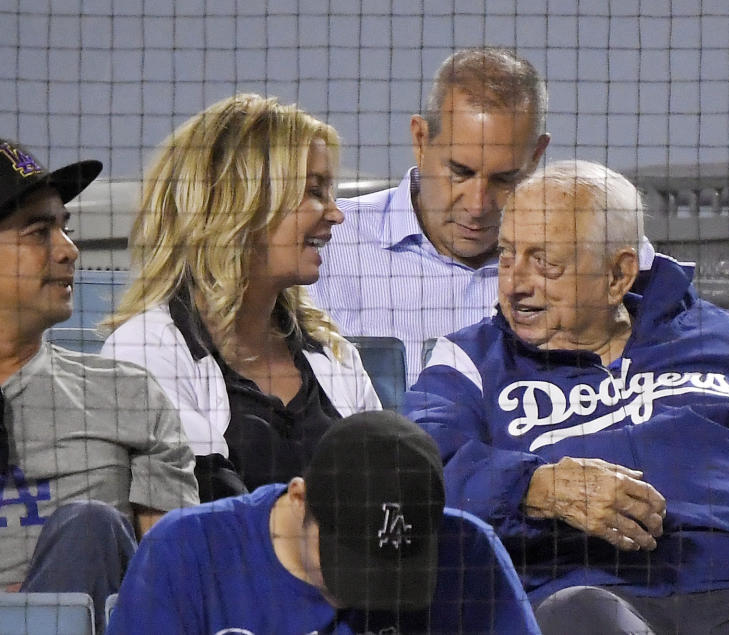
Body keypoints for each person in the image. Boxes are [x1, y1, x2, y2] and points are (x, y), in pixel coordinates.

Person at [403, 160, 729, 634]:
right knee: (577, 621)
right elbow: (415, 477)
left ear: (618, 274)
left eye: (546, 264)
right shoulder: (470, 364)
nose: (515, 285)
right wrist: (535, 487)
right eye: (509, 256)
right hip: (595, 591)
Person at [100, 94, 381, 503]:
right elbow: (186, 532)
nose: (336, 213)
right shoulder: (145, 351)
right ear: (241, 203)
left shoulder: (334, 355)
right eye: (314, 191)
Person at [0, 139, 199, 629]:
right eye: (38, 231)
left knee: (88, 527)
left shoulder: (127, 395)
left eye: (64, 229)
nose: (69, 251)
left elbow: (175, 584)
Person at [107, 410, 541, 634]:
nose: (367, 591)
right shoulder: (188, 550)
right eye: (348, 557)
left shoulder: (468, 550)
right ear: (299, 498)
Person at [308, 47, 552, 386]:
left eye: (504, 179)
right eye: (460, 172)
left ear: (537, 155)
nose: (478, 205)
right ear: (421, 139)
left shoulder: (584, 256)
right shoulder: (324, 247)